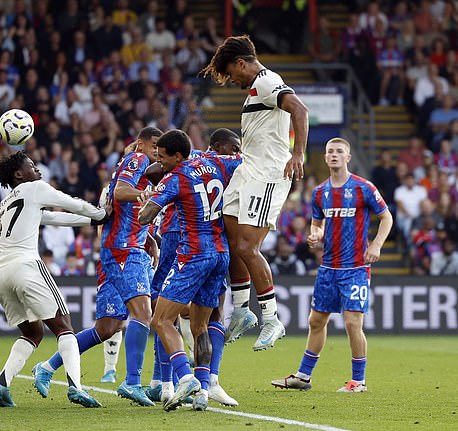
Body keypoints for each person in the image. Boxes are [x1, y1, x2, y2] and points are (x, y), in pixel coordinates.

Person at [33, 127, 162, 407]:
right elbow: (121, 193)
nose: (156, 151)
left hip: (120, 250)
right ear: (141, 144)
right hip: (124, 251)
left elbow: (117, 210)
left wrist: (149, 236)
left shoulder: (130, 167)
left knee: (107, 328)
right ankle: (135, 382)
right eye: (154, 145)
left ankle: (46, 367)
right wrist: (142, 195)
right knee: (145, 313)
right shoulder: (137, 161)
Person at [201, 35, 309, 350]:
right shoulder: (254, 90)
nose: (233, 80)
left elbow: (300, 109)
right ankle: (241, 309)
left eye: (232, 74)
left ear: (241, 63)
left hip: (268, 175)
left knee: (247, 247)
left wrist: (298, 154)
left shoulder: (266, 81)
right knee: (230, 238)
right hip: (248, 172)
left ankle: (272, 319)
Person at [271, 137, 393, 393]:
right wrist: (315, 234)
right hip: (328, 268)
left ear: (348, 157)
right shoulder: (319, 192)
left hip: (356, 267)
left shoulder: (363, 188)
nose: (335, 155)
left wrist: (377, 245)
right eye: (330, 152)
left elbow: (386, 218)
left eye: (339, 151)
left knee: (352, 323)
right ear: (325, 158)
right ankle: (303, 377)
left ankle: (358, 381)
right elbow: (317, 223)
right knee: (316, 321)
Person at [0, 151, 108, 408]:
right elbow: (70, 202)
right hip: (25, 265)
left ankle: (2, 384)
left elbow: (53, 218)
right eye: (32, 165)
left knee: (33, 332)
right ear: (19, 174)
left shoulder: (7, 202)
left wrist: (88, 221)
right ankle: (76, 387)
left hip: (0, 271)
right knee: (65, 327)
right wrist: (100, 215)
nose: (38, 169)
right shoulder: (35, 188)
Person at [138, 130, 242, 411]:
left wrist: (148, 200)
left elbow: (145, 214)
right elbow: (243, 162)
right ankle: (203, 391)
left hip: (194, 253)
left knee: (160, 320)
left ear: (178, 156)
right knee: (200, 327)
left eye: (162, 158)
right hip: (221, 253)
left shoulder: (176, 177)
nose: (160, 163)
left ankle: (185, 377)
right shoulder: (218, 163)